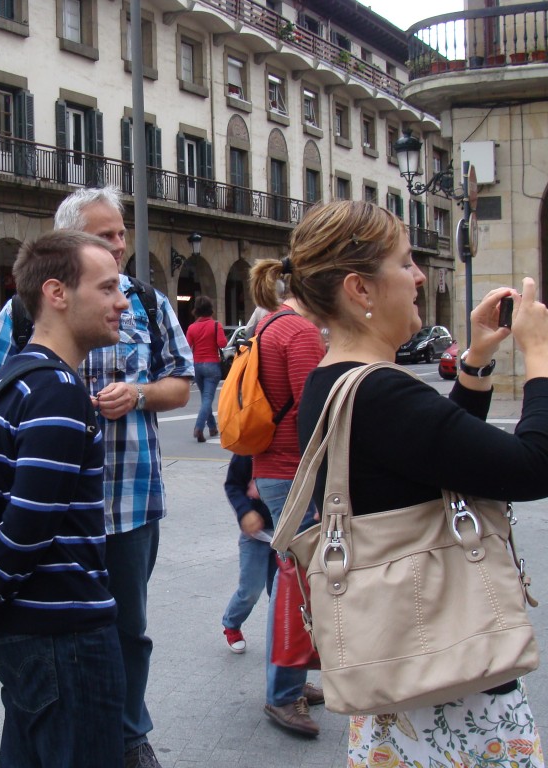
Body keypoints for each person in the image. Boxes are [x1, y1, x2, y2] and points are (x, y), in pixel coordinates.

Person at [287, 200, 548, 767]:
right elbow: (538, 465)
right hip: (456, 691)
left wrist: (475, 364)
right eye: (406, 262)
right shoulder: (381, 394)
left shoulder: (333, 384)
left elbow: (434, 461)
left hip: (402, 683)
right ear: (361, 290)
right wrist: (541, 355)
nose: (419, 276)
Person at [0, 186, 193, 768]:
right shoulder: (33, 333)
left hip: (129, 498)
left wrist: (141, 393)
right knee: (69, 648)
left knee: (128, 627)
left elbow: (182, 382)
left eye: (122, 233)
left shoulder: (145, 301)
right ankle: (63, 721)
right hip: (57, 515)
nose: (121, 246)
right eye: (105, 237)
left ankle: (128, 730)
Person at [0, 230, 128, 767]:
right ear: (57, 293)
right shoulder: (56, 389)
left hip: (31, 632)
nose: (122, 301)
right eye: (108, 287)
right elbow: (33, 512)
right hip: (63, 633)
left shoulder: (13, 377)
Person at [247, 247, 327, 738]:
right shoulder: (299, 332)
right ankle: (282, 694)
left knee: (291, 578)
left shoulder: (271, 323)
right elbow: (315, 413)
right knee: (297, 580)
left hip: (274, 468)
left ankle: (292, 675)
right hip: (293, 471)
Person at [220, 454, 275, 653]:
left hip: (288, 532)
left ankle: (281, 638)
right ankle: (232, 623)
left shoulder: (294, 444)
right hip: (255, 536)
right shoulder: (250, 446)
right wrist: (244, 512)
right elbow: (233, 485)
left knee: (281, 592)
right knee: (250, 590)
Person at [183, 296, 226, 442]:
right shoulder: (216, 325)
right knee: (208, 399)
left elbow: (186, 347)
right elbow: (222, 343)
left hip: (197, 366)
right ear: (210, 309)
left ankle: (213, 428)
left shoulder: (191, 328)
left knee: (204, 398)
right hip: (212, 365)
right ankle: (199, 427)